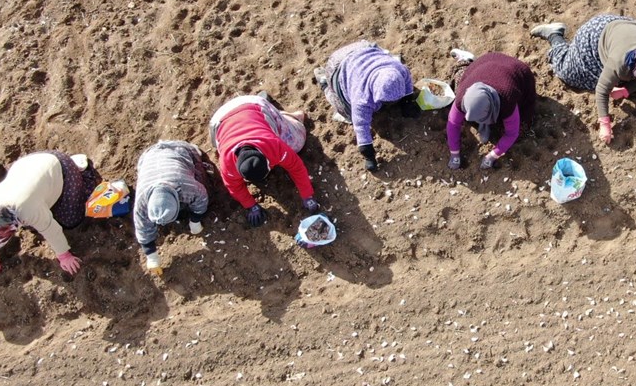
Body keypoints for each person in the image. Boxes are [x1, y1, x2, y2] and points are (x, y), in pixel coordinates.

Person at [530, 13, 636, 144]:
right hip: (595, 36)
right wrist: (605, 124)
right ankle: (555, 35)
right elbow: (602, 90)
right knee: (569, 72)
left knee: (622, 83)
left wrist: (626, 90)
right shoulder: (619, 61)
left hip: (622, 28)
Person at [0, 151, 103, 275]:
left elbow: (51, 230)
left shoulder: (26, 209)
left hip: (58, 165)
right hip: (27, 163)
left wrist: (64, 256)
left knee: (71, 219)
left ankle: (80, 170)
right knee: (34, 220)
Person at [210, 94, 319, 228]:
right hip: (219, 119)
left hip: (254, 105)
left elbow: (296, 167)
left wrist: (308, 195)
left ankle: (292, 117)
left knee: (298, 141)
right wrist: (251, 206)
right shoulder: (227, 165)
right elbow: (234, 187)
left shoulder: (272, 146)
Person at [316, 40, 420, 171]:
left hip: (363, 48)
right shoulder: (362, 99)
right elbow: (361, 126)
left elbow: (407, 83)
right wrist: (369, 156)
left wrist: (407, 102)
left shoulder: (398, 68)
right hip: (337, 65)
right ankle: (325, 83)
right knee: (346, 111)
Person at [446, 52, 536, 170]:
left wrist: (492, 156)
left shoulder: (507, 99)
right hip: (486, 62)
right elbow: (452, 124)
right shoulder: (462, 96)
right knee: (459, 78)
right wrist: (454, 154)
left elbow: (512, 133)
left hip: (517, 72)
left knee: (522, 130)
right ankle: (467, 60)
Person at [133, 141, 211, 276]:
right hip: (148, 157)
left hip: (178, 150)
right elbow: (142, 227)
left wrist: (195, 220)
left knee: (202, 176)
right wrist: (151, 257)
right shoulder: (141, 201)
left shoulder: (185, 185)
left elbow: (202, 197)